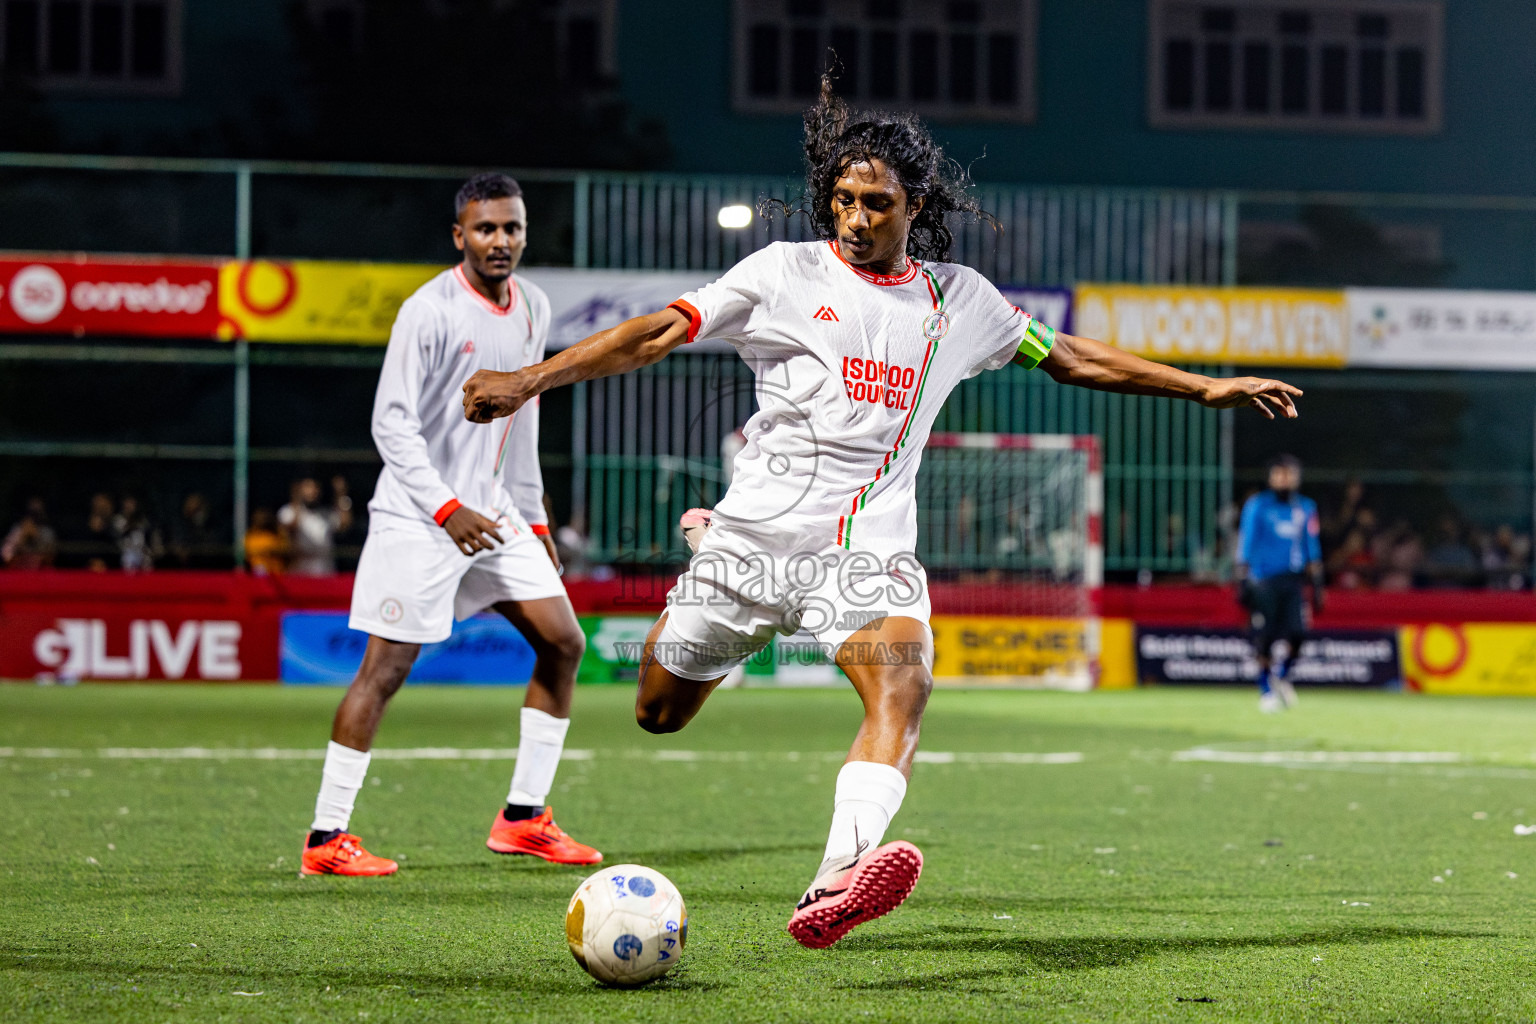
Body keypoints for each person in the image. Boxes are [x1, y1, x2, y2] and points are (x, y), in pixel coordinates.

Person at [462, 78, 1303, 947]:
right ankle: (701, 544)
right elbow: (654, 333)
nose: (856, 218)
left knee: (904, 686)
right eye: (843, 200)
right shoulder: (782, 273)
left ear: (917, 205)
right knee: (658, 712)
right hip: (751, 539)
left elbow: (1070, 356)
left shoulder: (960, 301)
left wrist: (1202, 385)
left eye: (877, 203)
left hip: (863, 552)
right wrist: (530, 380)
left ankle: (834, 880)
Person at [300, 172, 596, 878]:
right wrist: (445, 508)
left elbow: (520, 416)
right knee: (386, 668)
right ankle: (325, 838)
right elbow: (390, 425)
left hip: (493, 513)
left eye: (513, 228)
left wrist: (533, 514)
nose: (501, 241)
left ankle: (524, 817)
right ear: (459, 235)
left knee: (563, 642)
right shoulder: (426, 311)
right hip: (419, 516)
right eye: (486, 229)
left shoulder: (533, 305)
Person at [1236, 455, 1324, 713]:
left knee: (1299, 635)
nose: (1284, 479)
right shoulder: (1258, 506)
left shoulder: (1305, 507)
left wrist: (1317, 584)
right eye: (1279, 474)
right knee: (1265, 637)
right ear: (1271, 477)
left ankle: (1282, 676)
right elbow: (1247, 543)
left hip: (1292, 581)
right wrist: (1242, 578)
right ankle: (1265, 690)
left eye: (1289, 474)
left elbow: (1312, 547)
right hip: (1263, 581)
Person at [278, 477, 351, 576]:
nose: (312, 491)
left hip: (325, 573)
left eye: (315, 487)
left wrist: (341, 495)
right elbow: (289, 528)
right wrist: (296, 498)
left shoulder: (326, 514)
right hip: (299, 574)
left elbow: (344, 524)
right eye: (308, 487)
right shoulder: (288, 511)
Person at [1, 497, 57, 568]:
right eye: (32, 512)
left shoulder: (47, 532)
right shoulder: (17, 530)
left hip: (40, 573)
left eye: (37, 513)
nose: (34, 517)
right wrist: (21, 538)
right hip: (18, 572)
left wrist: (36, 538)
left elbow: (50, 560)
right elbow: (6, 557)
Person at [244, 507, 288, 575]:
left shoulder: (277, 534)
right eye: (260, 519)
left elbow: (286, 550)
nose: (263, 520)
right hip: (258, 575)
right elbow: (248, 553)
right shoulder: (251, 535)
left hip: (277, 574)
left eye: (265, 518)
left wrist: (272, 551)